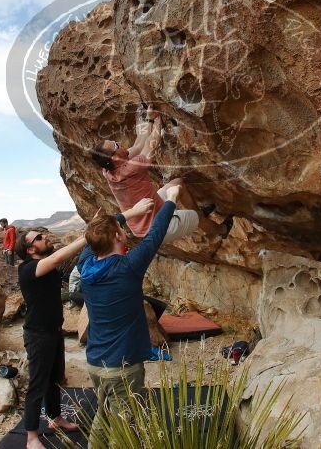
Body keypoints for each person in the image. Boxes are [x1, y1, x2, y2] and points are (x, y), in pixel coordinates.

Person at [77, 185, 181, 448]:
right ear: (118, 236)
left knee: (106, 415)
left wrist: (125, 216)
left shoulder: (85, 267)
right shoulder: (127, 267)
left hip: (95, 363)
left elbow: (92, 242)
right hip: (122, 367)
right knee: (126, 430)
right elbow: (155, 235)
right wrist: (170, 200)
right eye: (119, 231)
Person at [91, 106, 232, 245]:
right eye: (116, 145)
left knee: (178, 183)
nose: (120, 143)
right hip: (157, 229)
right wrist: (158, 118)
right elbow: (153, 143)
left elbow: (139, 143)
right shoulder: (132, 167)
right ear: (115, 158)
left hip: (144, 219)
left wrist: (149, 119)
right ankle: (221, 230)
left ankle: (197, 214)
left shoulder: (108, 170)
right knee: (198, 219)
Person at [14, 228, 86, 448]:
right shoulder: (27, 268)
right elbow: (58, 257)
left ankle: (55, 418)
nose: (45, 237)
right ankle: (31, 437)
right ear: (30, 248)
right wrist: (86, 235)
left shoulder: (47, 266)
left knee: (55, 378)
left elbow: (62, 259)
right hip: (38, 335)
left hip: (54, 331)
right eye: (39, 237)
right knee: (38, 383)